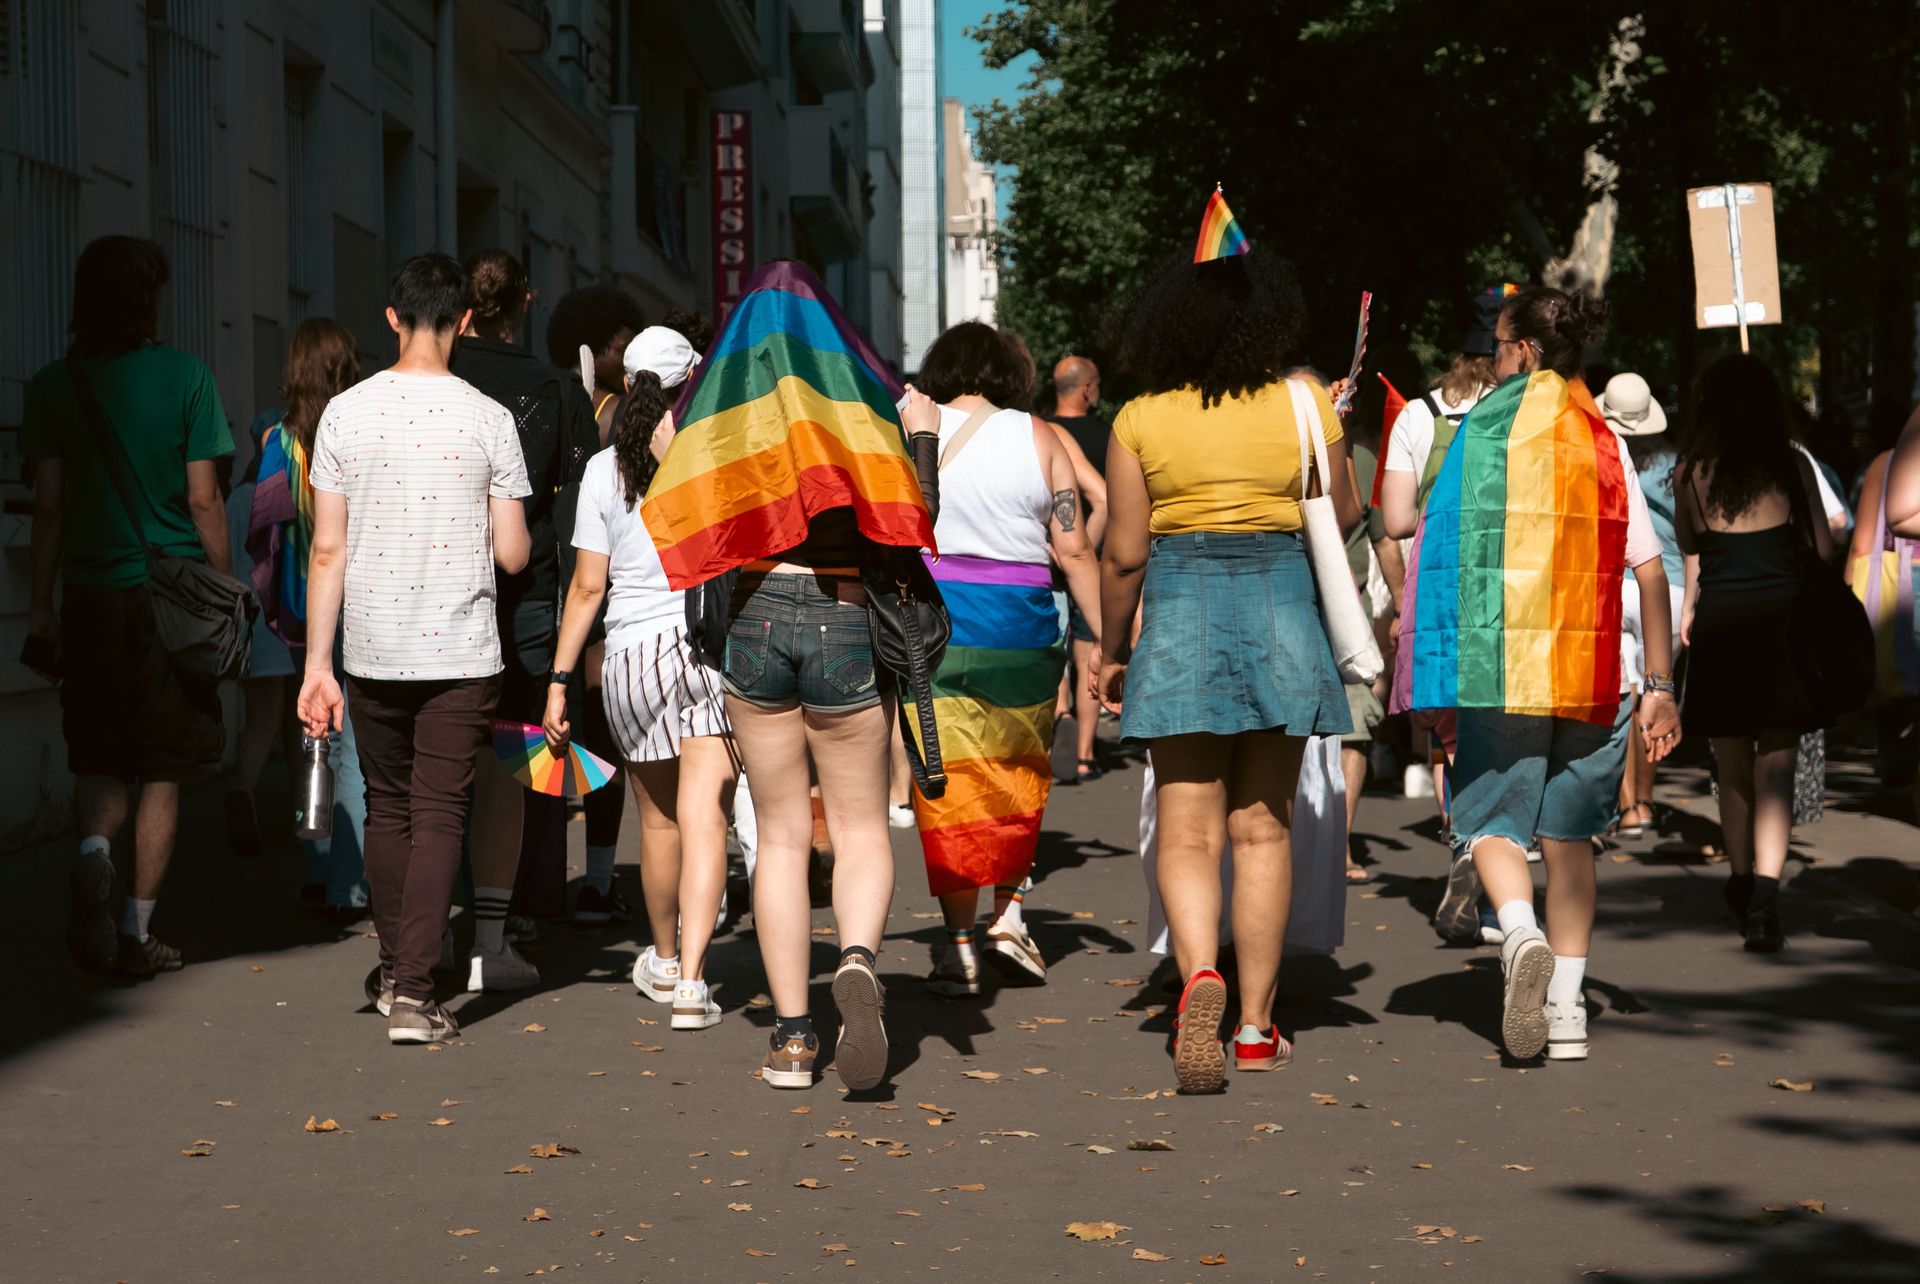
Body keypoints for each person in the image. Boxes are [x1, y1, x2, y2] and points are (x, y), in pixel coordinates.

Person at [643, 261, 941, 1092]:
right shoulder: (860, 398)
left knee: (777, 831)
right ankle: (854, 957)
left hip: (752, 615)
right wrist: (918, 433)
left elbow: (668, 469)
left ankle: (792, 1037)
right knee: (857, 826)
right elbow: (919, 517)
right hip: (847, 612)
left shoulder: (728, 399)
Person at [1095, 250, 1358, 1094]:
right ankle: (1253, 1026)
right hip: (1282, 600)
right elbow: (1345, 513)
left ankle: (1198, 974)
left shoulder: (1138, 418)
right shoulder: (1304, 401)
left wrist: (1112, 650)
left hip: (1181, 608)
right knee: (1263, 829)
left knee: (1187, 830)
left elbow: (1126, 555)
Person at [1405, 286, 1680, 1063]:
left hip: (1503, 668)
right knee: (1571, 842)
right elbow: (1652, 574)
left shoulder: (1479, 434)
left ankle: (1518, 932)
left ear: (1524, 351)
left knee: (1488, 823)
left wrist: (1430, 672)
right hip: (1599, 673)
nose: (1493, 357)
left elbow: (1444, 553)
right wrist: (1659, 686)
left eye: (1497, 345)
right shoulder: (1603, 438)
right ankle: (1567, 1012)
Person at [296, 253, 532, 1045]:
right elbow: (511, 555)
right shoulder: (489, 418)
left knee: (389, 808)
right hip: (462, 650)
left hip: (368, 646)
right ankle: (414, 993)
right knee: (441, 814)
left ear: (392, 319)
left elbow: (326, 551)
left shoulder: (344, 415)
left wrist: (316, 667)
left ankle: (401, 970)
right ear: (466, 321)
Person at [25, 236, 235, 977]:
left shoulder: (53, 386)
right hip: (168, 601)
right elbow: (205, 498)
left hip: (88, 597)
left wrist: (41, 608)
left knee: (102, 758)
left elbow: (48, 509)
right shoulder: (187, 378)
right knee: (163, 767)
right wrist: (223, 586)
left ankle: (92, 851)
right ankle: (137, 930)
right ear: (149, 302)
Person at [544, 325, 737, 1031]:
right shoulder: (711, 457)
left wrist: (560, 679)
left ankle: (661, 958)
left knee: (657, 822)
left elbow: (587, 588)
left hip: (627, 661)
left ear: (627, 387)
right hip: (703, 654)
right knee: (704, 816)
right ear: (694, 382)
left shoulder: (600, 471)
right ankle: (693, 983)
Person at [908, 323, 1101, 999]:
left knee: (945, 777)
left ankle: (959, 947)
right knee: (1020, 766)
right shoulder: (1039, 436)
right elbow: (1073, 548)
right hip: (1022, 622)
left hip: (936, 625)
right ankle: (1009, 917)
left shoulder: (914, 428)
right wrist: (1099, 638)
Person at [450, 250, 601, 989]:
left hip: (436, 592)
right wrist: (585, 618)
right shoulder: (555, 390)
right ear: (527, 304)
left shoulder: (436, 383)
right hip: (534, 596)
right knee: (516, 764)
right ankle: (502, 922)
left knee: (439, 764)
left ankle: (434, 923)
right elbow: (578, 507)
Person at [1674, 354, 1833, 952]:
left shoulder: (1691, 475)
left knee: (1732, 764)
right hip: (1781, 625)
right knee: (1777, 768)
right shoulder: (1790, 467)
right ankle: (1768, 891)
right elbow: (1822, 544)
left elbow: (1693, 557)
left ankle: (1739, 880)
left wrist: (1690, 612)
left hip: (1722, 627)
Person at [1380, 289, 1504, 941]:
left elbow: (1396, 520)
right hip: (1505, 582)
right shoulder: (1515, 410)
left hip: (1436, 586)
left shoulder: (1418, 414)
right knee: (1503, 726)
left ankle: (1462, 846)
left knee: (1446, 729)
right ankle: (1497, 859)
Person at [245, 320, 370, 919]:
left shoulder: (279, 438)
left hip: (299, 602)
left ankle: (320, 866)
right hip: (355, 598)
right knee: (350, 743)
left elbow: (264, 525)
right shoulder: (356, 431)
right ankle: (349, 880)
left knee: (314, 730)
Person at [545, 285, 648, 926]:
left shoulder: (558, 399)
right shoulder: (611, 414)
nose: (629, 351)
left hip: (555, 587)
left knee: (561, 739)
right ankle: (598, 878)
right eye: (621, 342)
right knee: (600, 742)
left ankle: (545, 881)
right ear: (594, 347)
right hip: (597, 596)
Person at [1595, 372, 1683, 838]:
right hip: (1667, 588)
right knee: (1656, 693)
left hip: (1616, 582)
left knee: (1624, 694)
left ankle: (1625, 805)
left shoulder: (1601, 457)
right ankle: (1646, 803)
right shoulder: (1675, 465)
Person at [1048, 355, 1114, 782]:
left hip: (1049, 558)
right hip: (1096, 561)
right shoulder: (1108, 437)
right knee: (1091, 648)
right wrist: (1085, 548)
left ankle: (1060, 714)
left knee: (1055, 649)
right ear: (1088, 388)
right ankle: (1087, 751)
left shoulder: (1039, 432)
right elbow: (1107, 499)